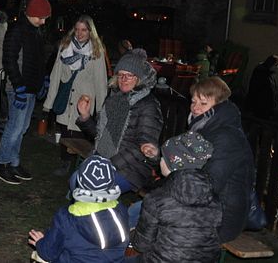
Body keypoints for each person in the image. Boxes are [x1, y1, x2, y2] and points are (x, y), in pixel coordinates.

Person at [75, 49, 163, 193]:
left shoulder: (148, 105)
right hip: (105, 159)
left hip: (131, 168)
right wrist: (85, 117)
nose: (123, 79)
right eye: (121, 75)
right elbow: (100, 136)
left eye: (129, 75)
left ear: (139, 79)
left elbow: (142, 148)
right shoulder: (114, 99)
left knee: (89, 188)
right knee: (76, 180)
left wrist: (108, 164)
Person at [131, 131, 222, 263]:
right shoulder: (214, 199)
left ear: (171, 164)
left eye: (163, 157)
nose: (160, 160)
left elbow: (142, 245)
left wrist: (132, 233)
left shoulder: (156, 199)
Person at [0, 0, 50, 185]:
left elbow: (39, 60)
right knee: (14, 127)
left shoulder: (36, 32)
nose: (42, 22)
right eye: (40, 18)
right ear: (31, 13)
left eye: (45, 19)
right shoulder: (16, 31)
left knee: (22, 128)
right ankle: (0, 164)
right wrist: (19, 87)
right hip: (19, 88)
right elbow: (9, 60)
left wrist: (42, 81)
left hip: (31, 88)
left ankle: (13, 162)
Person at [186, 76, 254, 242]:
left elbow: (210, 184)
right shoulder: (204, 129)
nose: (195, 108)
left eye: (203, 103)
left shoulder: (226, 136)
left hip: (223, 216)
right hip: (207, 206)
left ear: (218, 105)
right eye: (194, 101)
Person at [28, 155, 128, 263]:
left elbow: (48, 254)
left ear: (78, 181)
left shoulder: (67, 217)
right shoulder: (121, 210)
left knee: (40, 257)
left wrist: (41, 243)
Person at [43, 15, 108, 176]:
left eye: (84, 30)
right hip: (66, 98)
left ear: (90, 31)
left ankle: (82, 167)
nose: (79, 34)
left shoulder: (96, 51)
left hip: (84, 101)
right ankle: (65, 163)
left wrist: (101, 111)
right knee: (65, 132)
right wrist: (48, 104)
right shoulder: (65, 47)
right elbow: (55, 75)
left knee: (81, 134)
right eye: (77, 30)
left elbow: (101, 82)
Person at [245, 55, 278, 119]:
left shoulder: (270, 72)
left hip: (265, 103)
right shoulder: (261, 71)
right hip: (260, 102)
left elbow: (273, 87)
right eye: (276, 65)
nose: (276, 67)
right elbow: (258, 87)